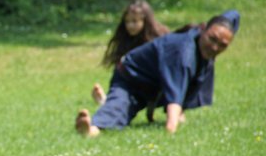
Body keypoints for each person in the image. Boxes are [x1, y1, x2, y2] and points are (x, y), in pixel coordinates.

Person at [76, 10, 240, 138]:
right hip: (130, 81)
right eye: (212, 39)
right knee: (119, 109)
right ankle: (91, 130)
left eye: (223, 45)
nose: (215, 47)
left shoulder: (216, 30)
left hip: (155, 84)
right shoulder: (183, 53)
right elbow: (174, 97)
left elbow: (234, 14)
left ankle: (104, 100)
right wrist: (171, 128)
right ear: (203, 28)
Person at [92, 0, 169, 106]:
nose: (130, 26)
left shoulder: (160, 38)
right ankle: (109, 102)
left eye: (134, 21)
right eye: (127, 22)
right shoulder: (126, 40)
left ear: (145, 20)